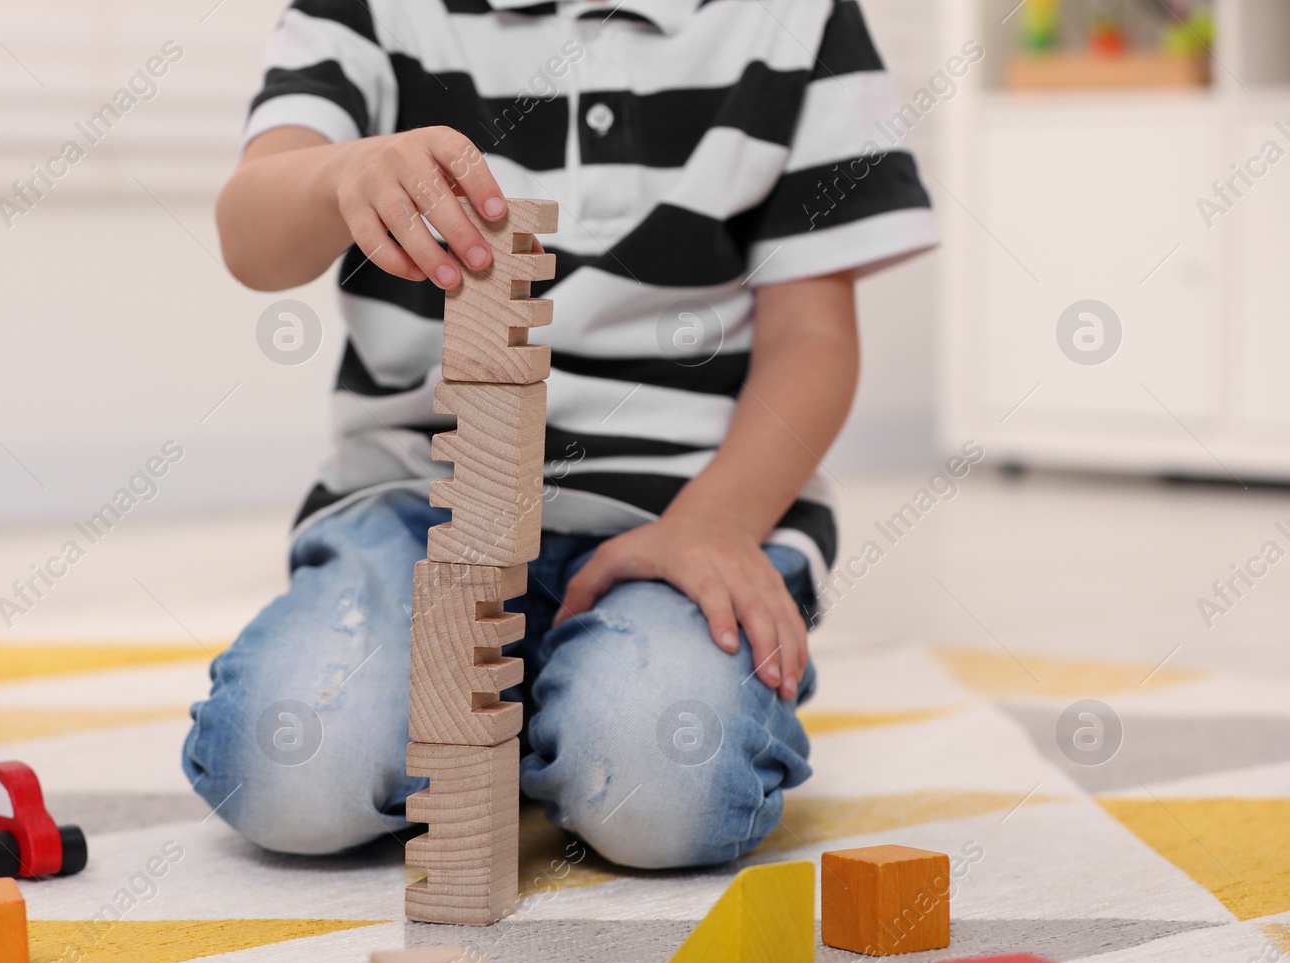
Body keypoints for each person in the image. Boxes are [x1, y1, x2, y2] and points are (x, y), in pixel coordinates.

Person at [184, 0, 935, 868]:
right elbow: (252, 238)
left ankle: (552, 711)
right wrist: (339, 175)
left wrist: (719, 521)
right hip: (416, 504)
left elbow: (814, 336)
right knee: (290, 775)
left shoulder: (798, 19)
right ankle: (512, 720)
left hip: (686, 509)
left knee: (668, 795)